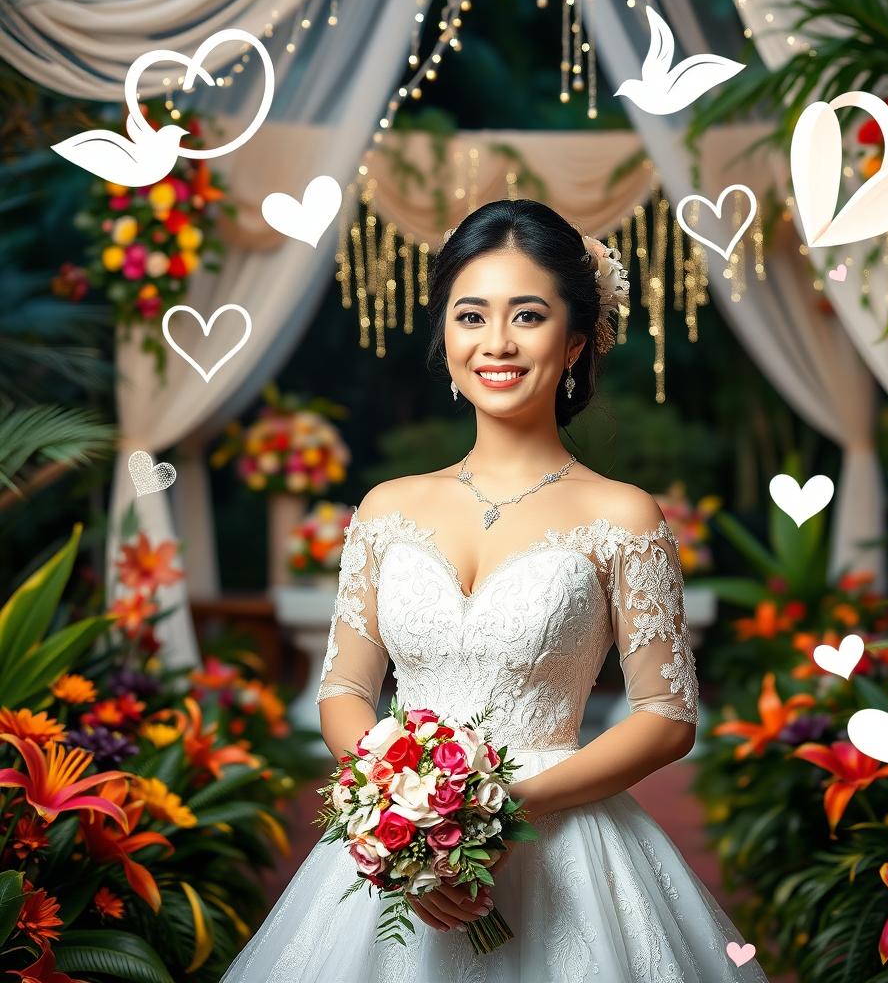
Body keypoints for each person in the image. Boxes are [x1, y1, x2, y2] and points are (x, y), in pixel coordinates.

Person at [219, 199, 768, 981]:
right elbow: (343, 687)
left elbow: (667, 715)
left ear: (576, 339)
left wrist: (502, 812)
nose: (497, 343)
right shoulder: (386, 509)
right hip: (403, 854)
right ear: (445, 335)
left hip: (567, 846)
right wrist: (400, 815)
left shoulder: (623, 515)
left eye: (529, 316)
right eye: (471, 315)